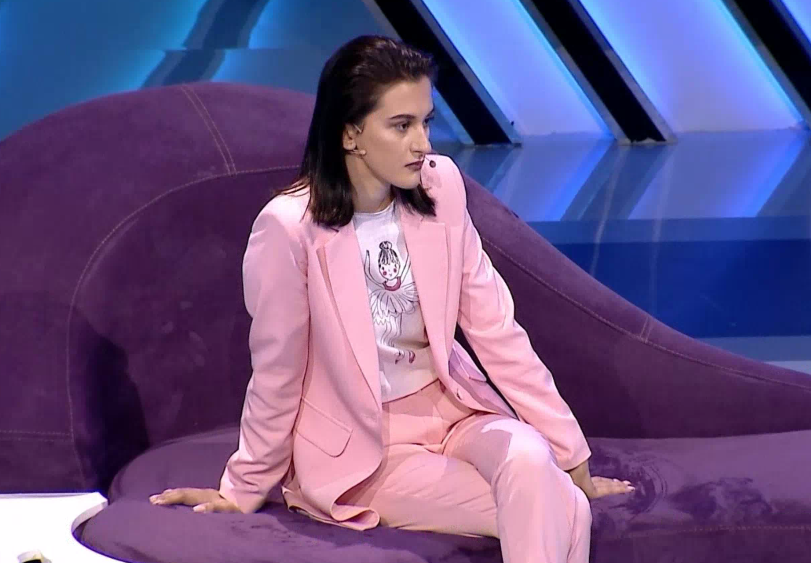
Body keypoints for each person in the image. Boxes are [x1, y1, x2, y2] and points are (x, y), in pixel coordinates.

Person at [149, 35, 633, 562]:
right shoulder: (289, 228)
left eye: (426, 122)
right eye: (401, 126)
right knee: (560, 507)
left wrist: (570, 454)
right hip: (367, 448)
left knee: (531, 459)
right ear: (351, 133)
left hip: (456, 411)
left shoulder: (441, 188)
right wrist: (242, 488)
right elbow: (277, 371)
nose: (422, 143)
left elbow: (496, 328)